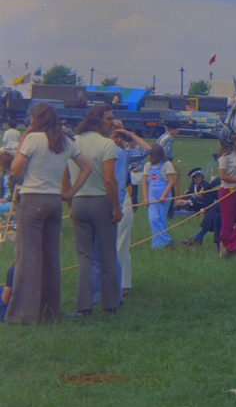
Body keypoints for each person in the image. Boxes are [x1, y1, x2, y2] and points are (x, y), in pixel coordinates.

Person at [6, 103, 92, 323]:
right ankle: (49, 311)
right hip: (55, 200)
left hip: (33, 199)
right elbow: (87, 167)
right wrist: (70, 192)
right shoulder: (65, 140)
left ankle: (24, 313)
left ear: (36, 119)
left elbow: (15, 170)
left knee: (28, 258)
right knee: (50, 258)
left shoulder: (33, 139)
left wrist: (23, 141)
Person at [67, 104, 122, 317]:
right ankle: (110, 303)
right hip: (100, 201)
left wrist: (70, 204)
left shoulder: (73, 142)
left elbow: (65, 178)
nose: (112, 123)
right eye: (109, 119)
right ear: (98, 121)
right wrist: (116, 208)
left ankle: (84, 306)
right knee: (108, 254)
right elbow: (110, 179)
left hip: (79, 201)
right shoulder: (107, 145)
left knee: (84, 257)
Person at [112, 124, 152, 299]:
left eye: (121, 136)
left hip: (122, 201)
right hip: (101, 200)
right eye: (116, 135)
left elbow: (148, 149)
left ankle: (123, 284)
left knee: (121, 244)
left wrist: (129, 133)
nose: (119, 139)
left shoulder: (124, 154)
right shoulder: (101, 150)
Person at [142, 144, 175, 249]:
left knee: (161, 219)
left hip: (164, 195)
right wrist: (146, 198)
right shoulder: (148, 166)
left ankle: (158, 245)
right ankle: (167, 240)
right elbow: (145, 183)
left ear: (160, 156)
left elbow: (171, 181)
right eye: (150, 157)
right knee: (153, 219)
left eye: (154, 157)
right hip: (152, 195)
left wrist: (164, 195)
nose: (151, 159)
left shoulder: (167, 164)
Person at [180, 166, 221, 248]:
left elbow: (208, 201)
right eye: (195, 177)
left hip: (201, 209)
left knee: (212, 214)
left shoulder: (205, 185)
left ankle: (198, 238)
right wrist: (184, 201)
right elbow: (188, 195)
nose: (197, 179)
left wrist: (191, 201)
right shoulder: (194, 186)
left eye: (199, 176)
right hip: (197, 208)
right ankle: (198, 238)